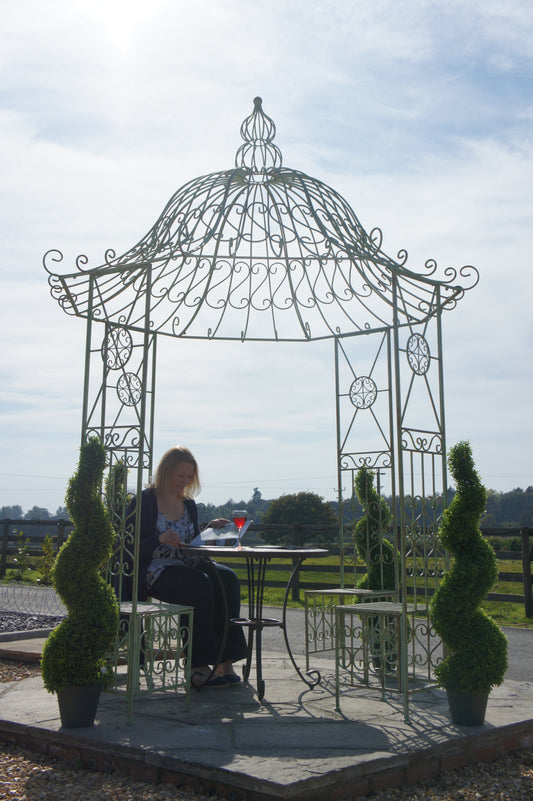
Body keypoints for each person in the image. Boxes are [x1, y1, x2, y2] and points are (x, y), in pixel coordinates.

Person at [123, 446, 248, 688]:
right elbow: (128, 545)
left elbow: (191, 541)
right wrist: (157, 539)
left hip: (188, 562)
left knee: (228, 579)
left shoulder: (189, 504)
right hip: (155, 569)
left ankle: (224, 661)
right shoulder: (146, 501)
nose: (185, 481)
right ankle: (197, 665)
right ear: (166, 472)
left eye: (189, 477)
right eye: (181, 476)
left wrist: (210, 529)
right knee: (198, 585)